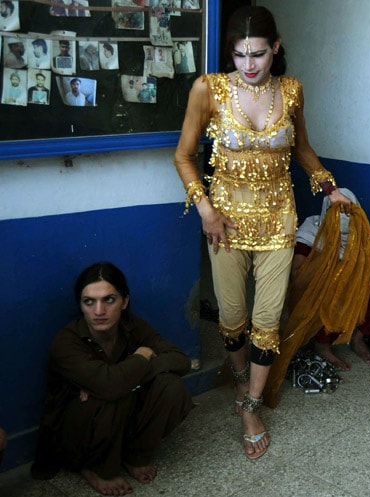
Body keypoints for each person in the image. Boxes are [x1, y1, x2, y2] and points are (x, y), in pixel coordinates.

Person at [173, 6, 351, 460]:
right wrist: (206, 213)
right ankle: (238, 379)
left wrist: (329, 187)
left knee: (267, 322)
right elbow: (184, 157)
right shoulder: (207, 90)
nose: (249, 66)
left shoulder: (291, 92)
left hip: (278, 220)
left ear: (276, 49)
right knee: (232, 318)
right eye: (239, 55)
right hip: (225, 223)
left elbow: (303, 149)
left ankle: (251, 406)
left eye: (258, 55)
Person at [31, 262, 194, 495]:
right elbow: (110, 387)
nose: (99, 311)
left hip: (119, 419)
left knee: (170, 386)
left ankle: (134, 456)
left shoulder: (132, 327)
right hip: (74, 433)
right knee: (107, 396)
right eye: (89, 302)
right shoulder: (67, 342)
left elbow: (180, 360)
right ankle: (95, 469)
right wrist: (138, 360)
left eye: (109, 300)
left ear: (124, 302)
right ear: (81, 305)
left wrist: (126, 375)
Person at [292, 188, 370, 370]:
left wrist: (363, 230)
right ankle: (322, 344)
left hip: (353, 289)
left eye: (347, 212)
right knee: (331, 283)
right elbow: (298, 272)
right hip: (321, 288)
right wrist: (330, 267)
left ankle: (357, 338)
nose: (342, 217)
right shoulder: (312, 229)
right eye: (336, 211)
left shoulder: (360, 234)